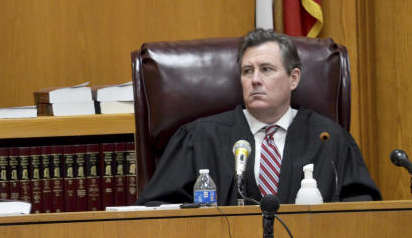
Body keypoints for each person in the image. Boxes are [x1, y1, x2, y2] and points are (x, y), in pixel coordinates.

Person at [137, 29, 381, 206]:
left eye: (266, 69)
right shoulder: (199, 138)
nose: (254, 79)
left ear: (293, 78)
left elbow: (362, 211)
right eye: (247, 71)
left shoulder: (330, 141)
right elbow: (157, 210)